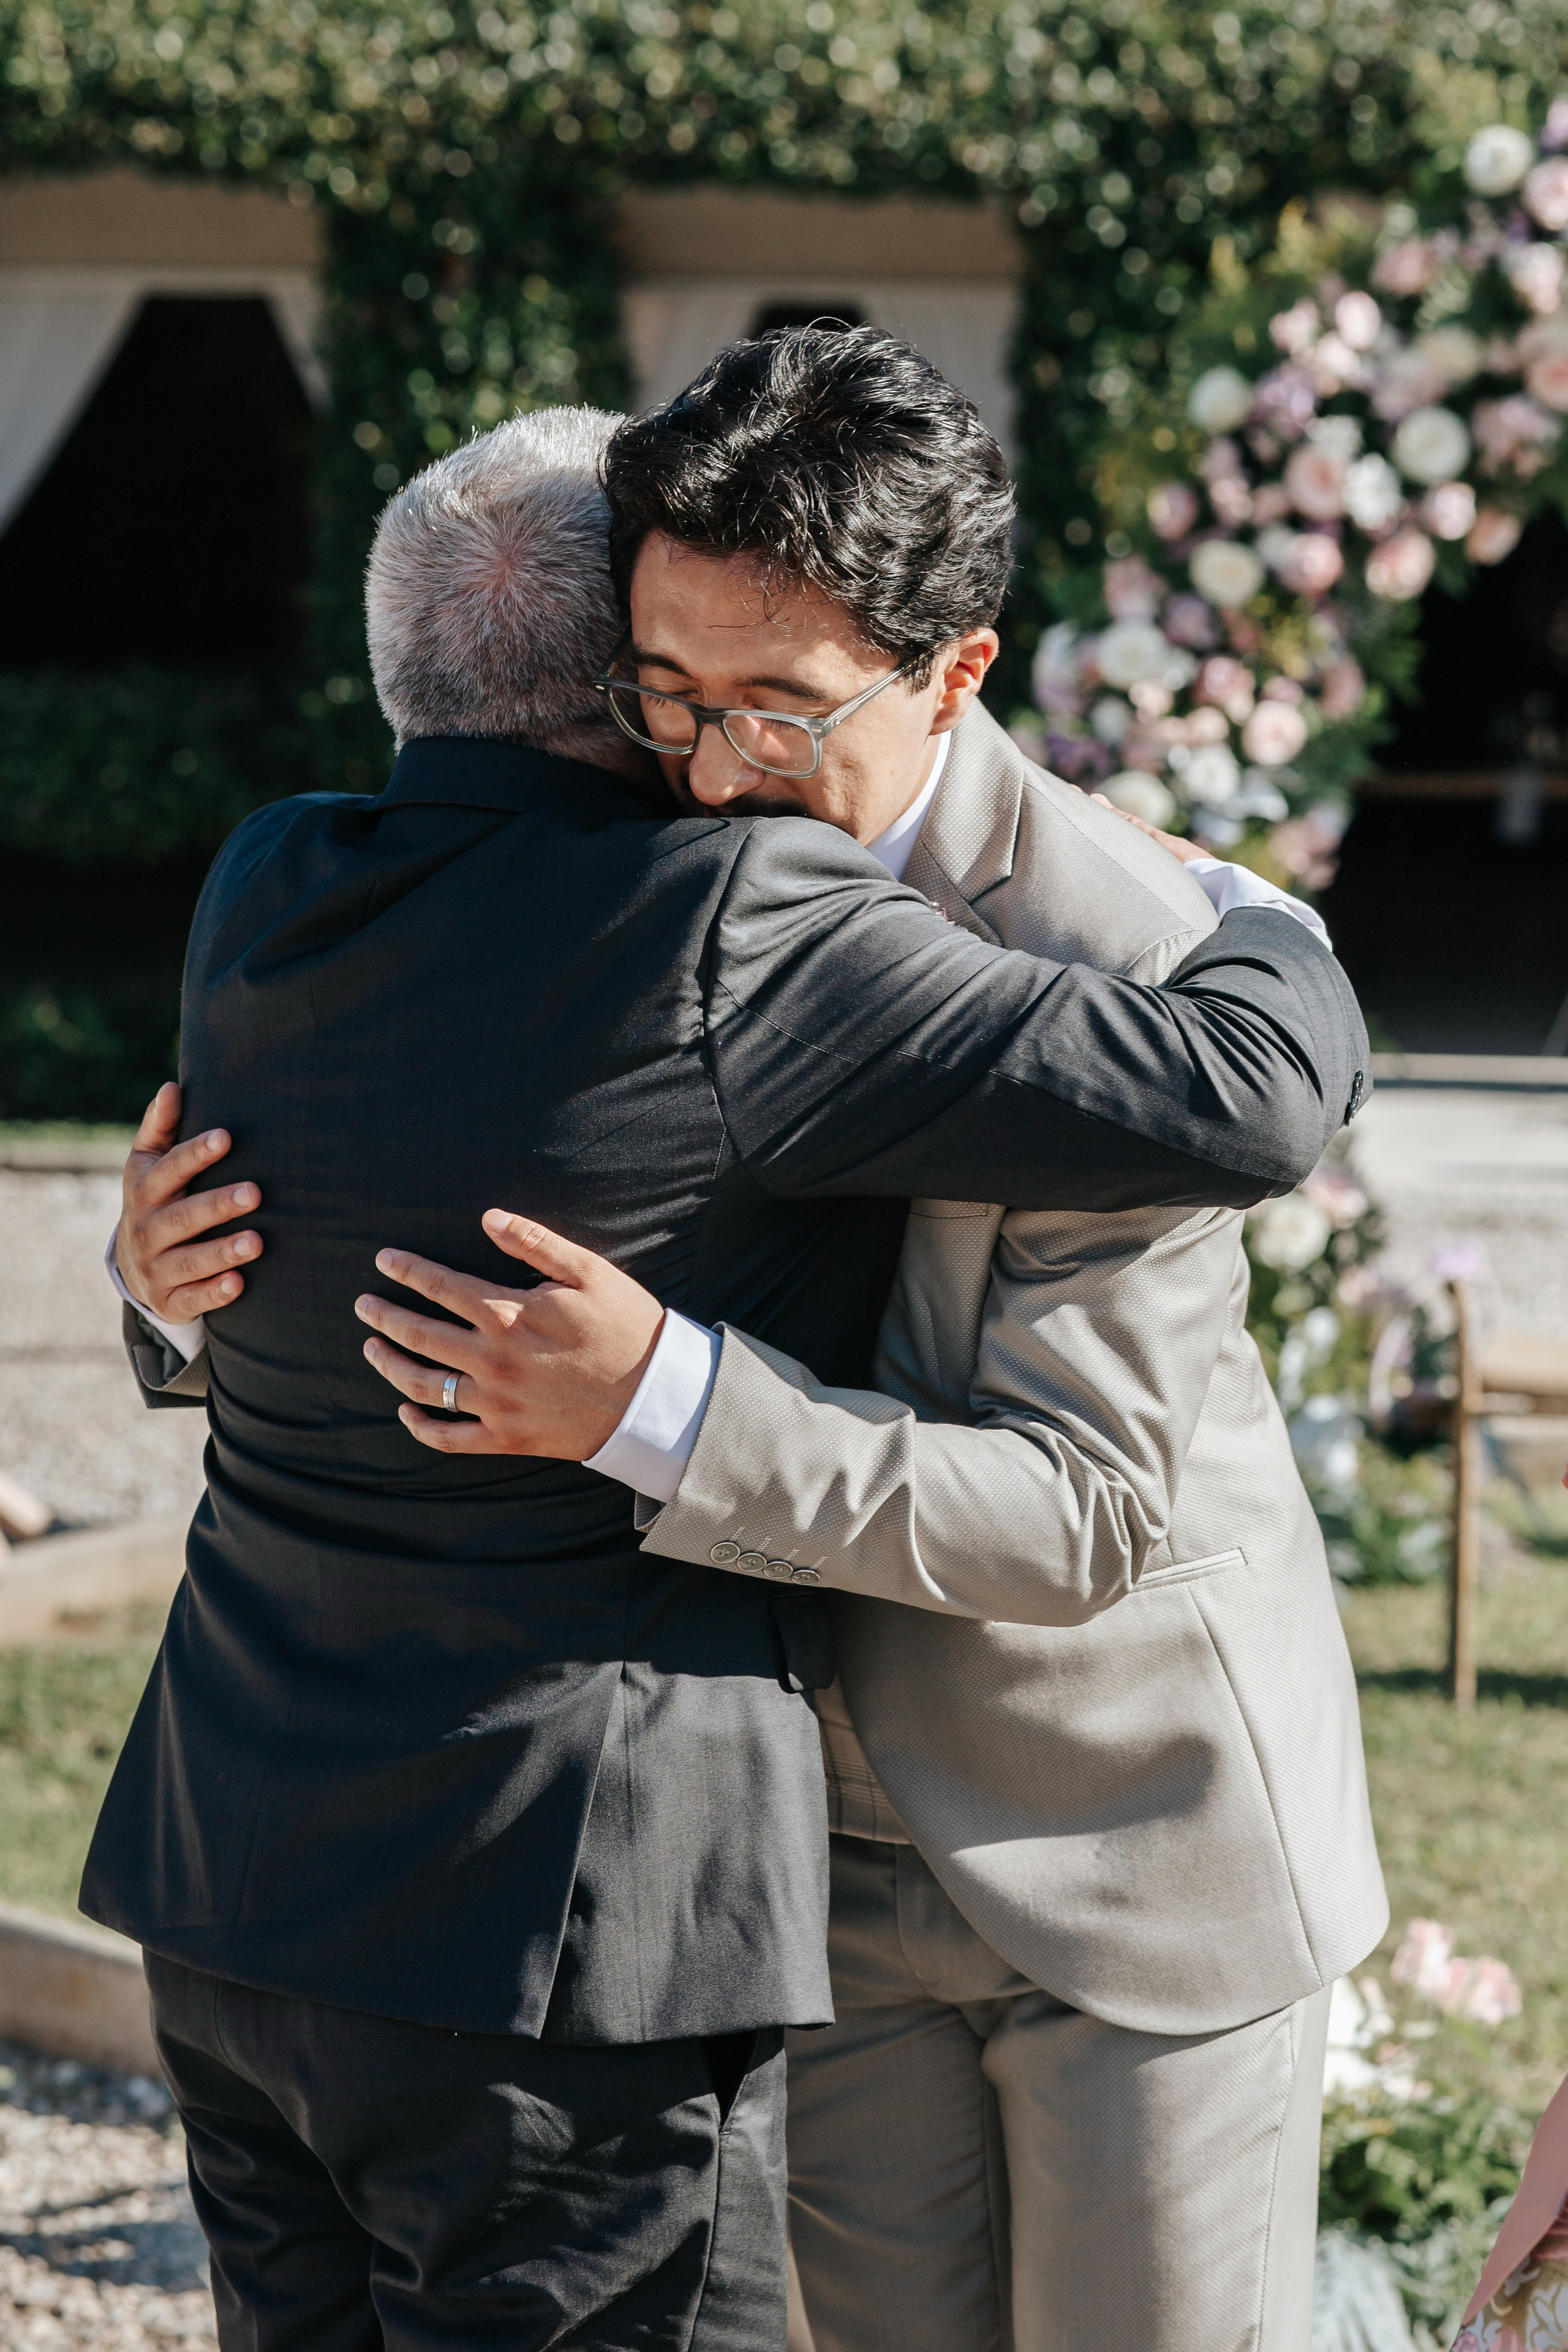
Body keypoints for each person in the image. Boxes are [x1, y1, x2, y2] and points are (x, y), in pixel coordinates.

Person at [102, 352, 1366, 2350]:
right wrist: (179, 1288)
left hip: (1113, 1839)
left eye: (769, 708)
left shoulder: (1121, 953)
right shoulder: (628, 874)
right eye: (662, 695)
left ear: (953, 674)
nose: (703, 770)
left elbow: (1091, 1505)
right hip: (794, 1871)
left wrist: (664, 1405)